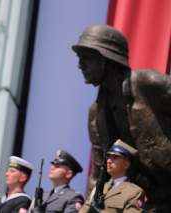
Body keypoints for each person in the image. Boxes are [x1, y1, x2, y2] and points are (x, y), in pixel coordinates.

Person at [72, 24, 171, 211]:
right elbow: (99, 172)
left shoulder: (147, 84)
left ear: (105, 59)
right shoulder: (96, 114)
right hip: (147, 201)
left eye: (86, 58)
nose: (80, 66)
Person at [79, 139, 145, 212]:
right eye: (108, 157)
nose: (109, 161)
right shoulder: (99, 188)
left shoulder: (134, 192)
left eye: (115, 157)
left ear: (126, 164)